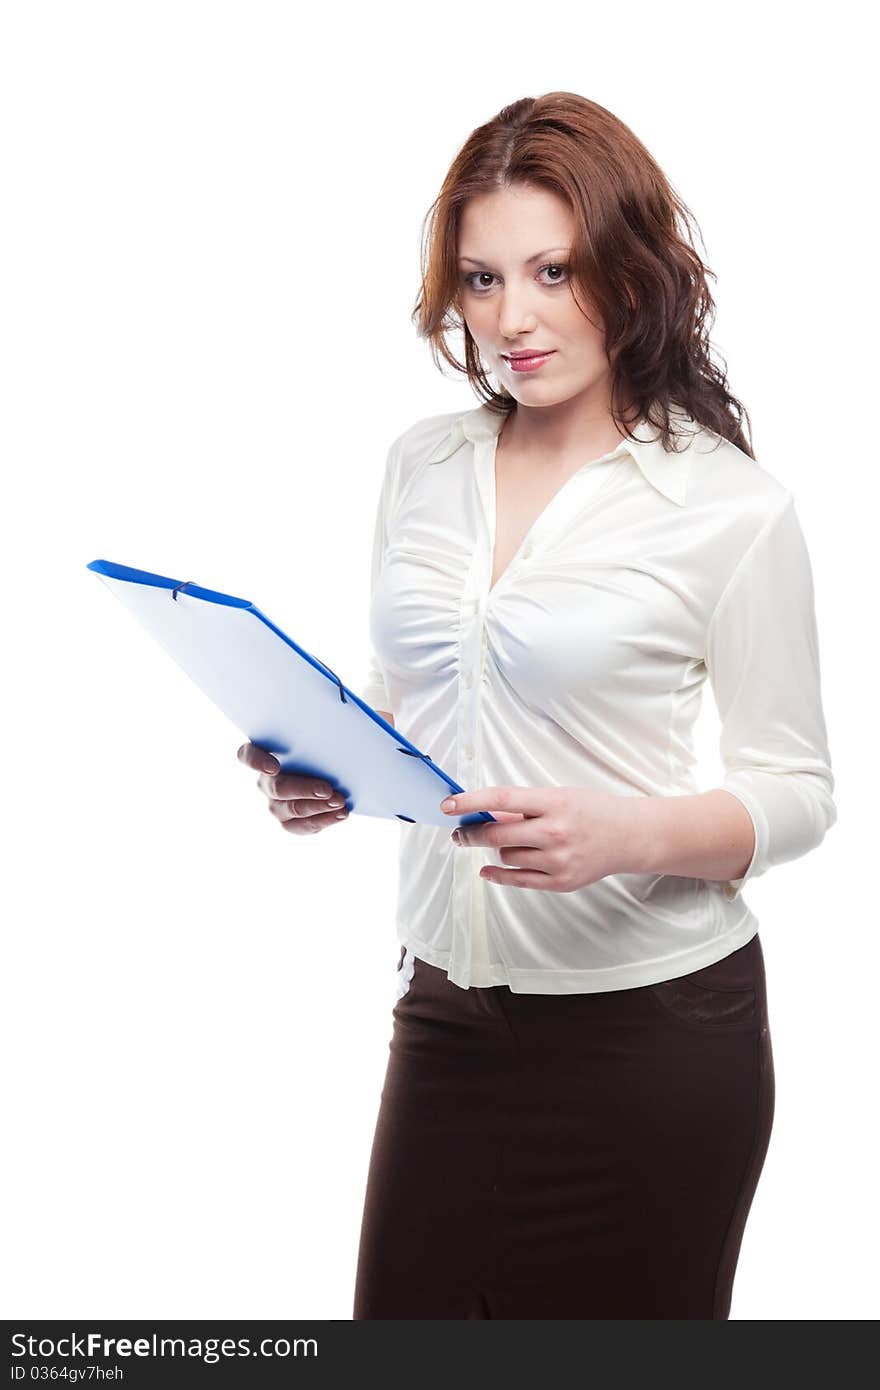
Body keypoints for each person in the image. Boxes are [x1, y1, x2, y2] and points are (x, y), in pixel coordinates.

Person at [238, 92, 837, 1319]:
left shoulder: (730, 508)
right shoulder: (423, 462)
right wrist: (330, 763)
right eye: (479, 278)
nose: (510, 319)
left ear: (627, 269)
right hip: (444, 1016)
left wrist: (623, 835)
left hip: (656, 1042)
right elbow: (418, 692)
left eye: (552, 270)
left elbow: (798, 791)